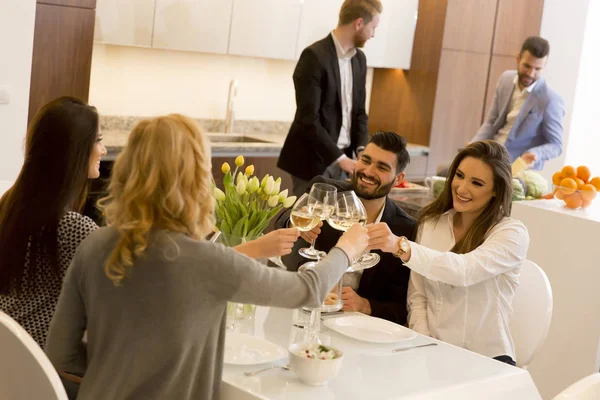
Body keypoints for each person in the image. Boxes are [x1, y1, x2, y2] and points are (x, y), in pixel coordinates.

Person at [45, 114, 368, 400]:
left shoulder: (95, 244)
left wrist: (120, 364)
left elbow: (61, 353)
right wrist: (346, 249)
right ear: (197, 177)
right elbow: (309, 290)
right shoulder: (209, 261)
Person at [368, 140, 530, 365]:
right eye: (460, 175)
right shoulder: (432, 223)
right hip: (432, 351)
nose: (462, 188)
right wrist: (425, 346)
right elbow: (418, 297)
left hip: (487, 359)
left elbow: (463, 271)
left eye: (477, 183)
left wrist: (401, 247)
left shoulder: (512, 234)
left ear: (496, 190)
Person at [276, 131, 416, 324]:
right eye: (365, 161)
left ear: (399, 179)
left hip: (358, 327)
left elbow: (404, 307)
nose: (368, 171)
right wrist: (296, 226)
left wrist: (365, 305)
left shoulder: (405, 229)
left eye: (381, 167)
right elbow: (282, 219)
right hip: (300, 311)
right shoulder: (326, 190)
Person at [0, 97, 105, 348]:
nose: (103, 150)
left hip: (12, 360)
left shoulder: (8, 206)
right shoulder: (76, 230)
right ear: (76, 149)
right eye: (98, 140)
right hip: (43, 370)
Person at [277, 0, 382, 197]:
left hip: (347, 162)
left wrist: (362, 152)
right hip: (312, 161)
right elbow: (308, 119)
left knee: (335, 225)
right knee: (307, 225)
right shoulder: (314, 57)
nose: (373, 34)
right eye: (373, 27)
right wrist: (340, 158)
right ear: (359, 23)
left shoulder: (359, 60)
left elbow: (359, 112)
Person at [471, 36, 564, 170]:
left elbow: (556, 145)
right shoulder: (505, 79)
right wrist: (474, 146)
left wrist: (536, 153)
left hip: (518, 169)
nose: (531, 73)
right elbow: (491, 122)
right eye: (527, 66)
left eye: (537, 69)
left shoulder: (551, 99)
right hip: (490, 157)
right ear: (518, 58)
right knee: (446, 173)